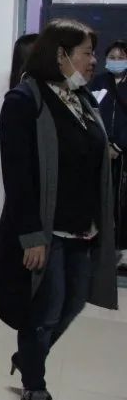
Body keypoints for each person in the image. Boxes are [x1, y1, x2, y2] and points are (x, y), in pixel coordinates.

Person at [0, 18, 118, 400]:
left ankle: (29, 357)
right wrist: (31, 236)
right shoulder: (24, 101)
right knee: (45, 312)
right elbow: (18, 176)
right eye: (87, 53)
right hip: (47, 230)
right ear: (61, 55)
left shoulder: (83, 101)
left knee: (73, 303)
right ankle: (35, 388)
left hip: (83, 228)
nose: (94, 61)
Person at [90, 39, 127, 256]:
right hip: (101, 150)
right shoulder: (98, 82)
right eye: (112, 57)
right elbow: (91, 113)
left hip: (123, 153)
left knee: (123, 202)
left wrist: (119, 145)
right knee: (102, 199)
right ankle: (103, 247)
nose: (116, 61)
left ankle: (122, 249)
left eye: (121, 57)